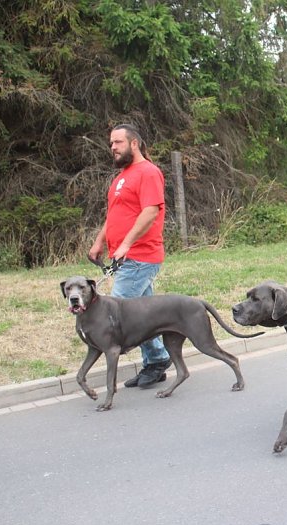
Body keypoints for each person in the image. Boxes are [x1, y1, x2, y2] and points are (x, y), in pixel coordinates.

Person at [88, 123, 171, 389]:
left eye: (118, 142)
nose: (112, 147)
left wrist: (125, 244)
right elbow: (114, 215)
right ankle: (157, 359)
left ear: (134, 143)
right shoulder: (122, 177)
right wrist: (100, 241)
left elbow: (150, 211)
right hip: (126, 256)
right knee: (143, 314)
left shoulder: (148, 172)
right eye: (111, 143)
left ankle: (153, 360)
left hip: (140, 256)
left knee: (117, 313)